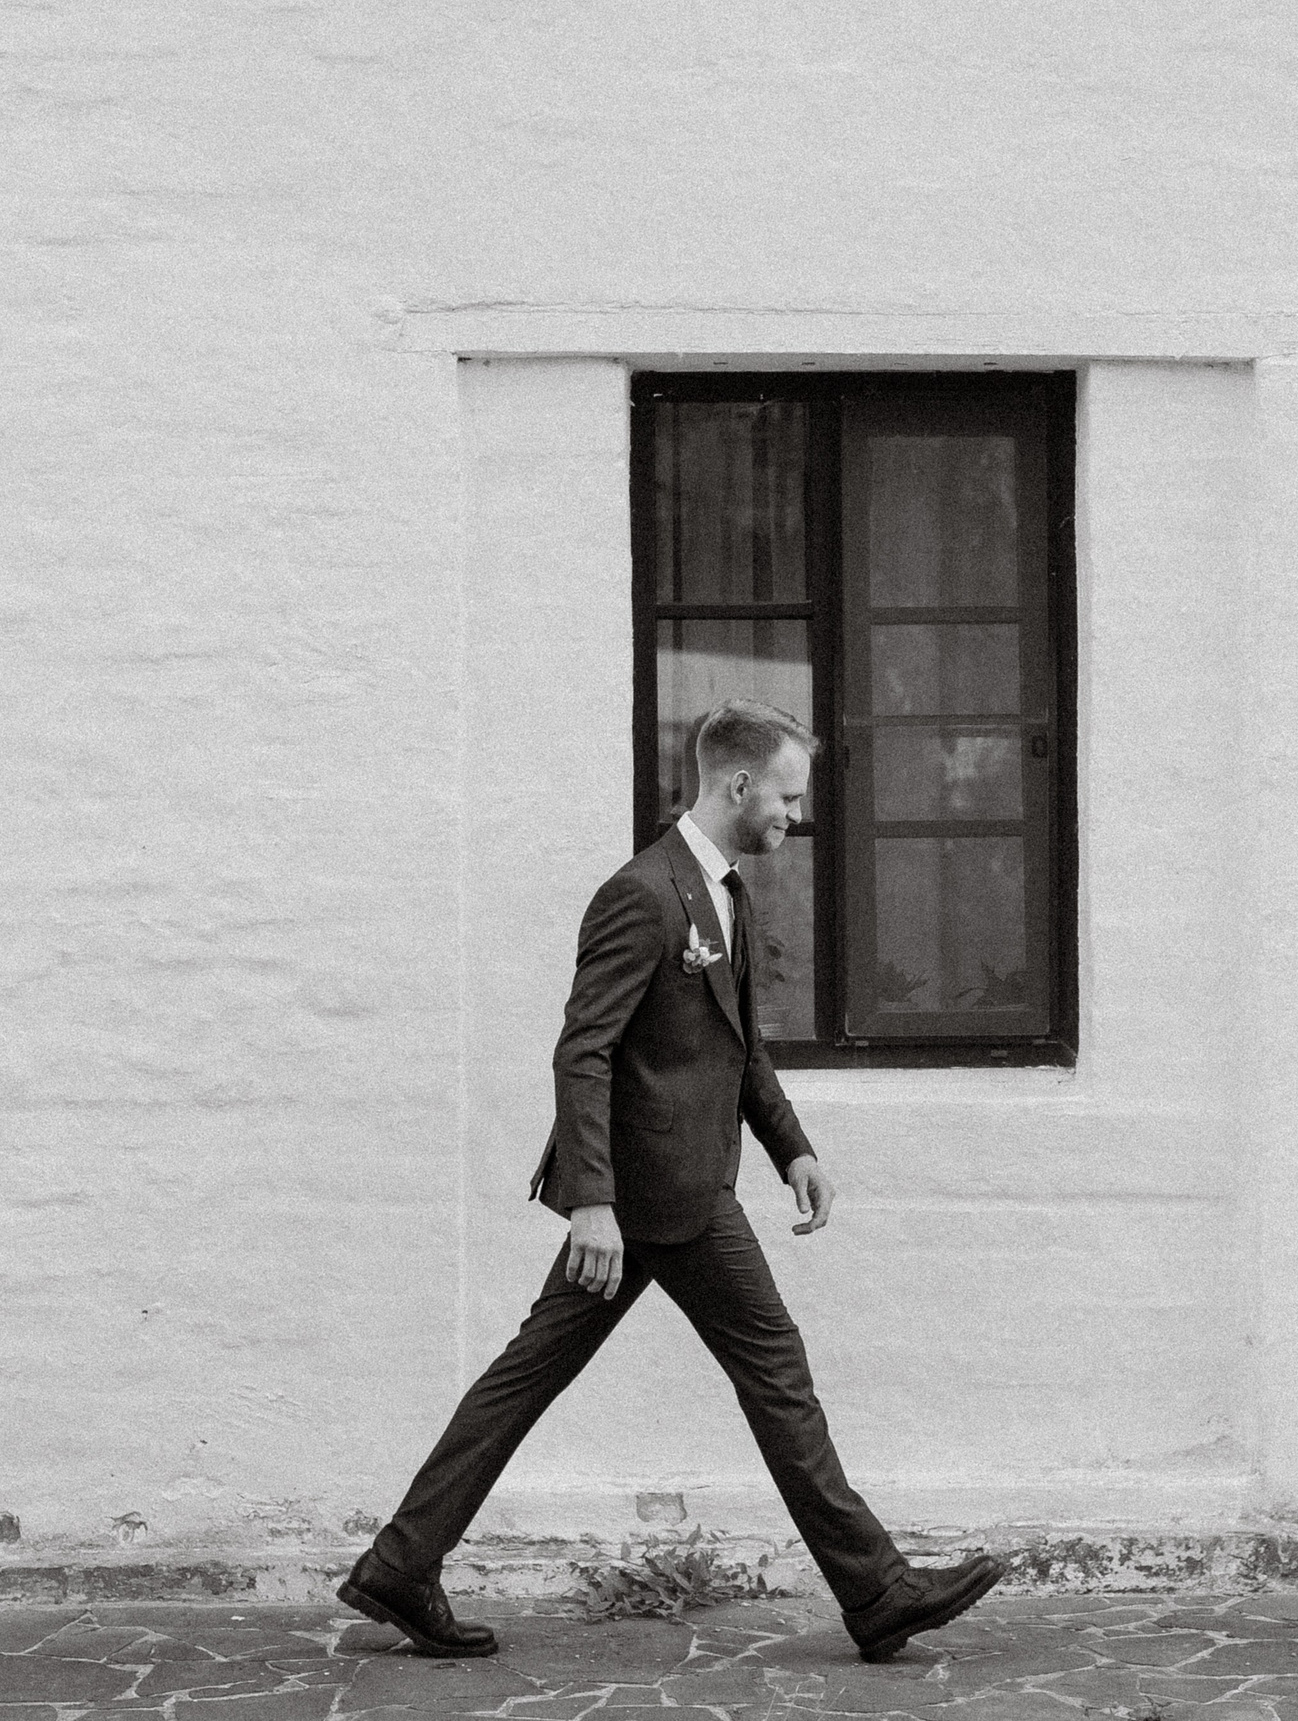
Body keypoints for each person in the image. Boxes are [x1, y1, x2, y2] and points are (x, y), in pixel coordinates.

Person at [338, 699, 1003, 1662]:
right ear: (737, 784)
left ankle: (400, 1565)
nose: (793, 814)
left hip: (670, 1190)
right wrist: (594, 1203)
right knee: (778, 1375)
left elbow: (737, 1049)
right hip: (659, 1200)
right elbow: (585, 1051)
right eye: (785, 795)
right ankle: (878, 1591)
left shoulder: (723, 892)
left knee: (526, 1378)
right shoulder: (643, 894)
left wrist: (792, 1148)